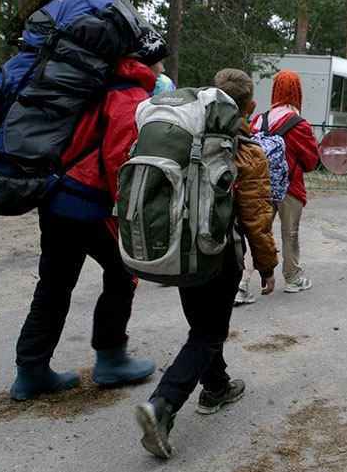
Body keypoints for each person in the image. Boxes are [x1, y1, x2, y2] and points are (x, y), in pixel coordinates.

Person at [8, 32, 168, 401]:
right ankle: (111, 358)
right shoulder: (129, 96)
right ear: (147, 61)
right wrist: (130, 214)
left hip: (57, 197)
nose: (164, 66)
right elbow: (119, 162)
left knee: (54, 283)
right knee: (125, 271)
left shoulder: (99, 85)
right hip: (89, 203)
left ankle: (30, 371)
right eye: (161, 58)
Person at [135, 68, 279, 460]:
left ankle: (216, 386)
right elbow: (256, 217)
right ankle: (162, 405)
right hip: (219, 255)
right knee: (208, 334)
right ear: (249, 107)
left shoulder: (187, 138)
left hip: (181, 250)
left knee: (203, 325)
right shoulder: (246, 150)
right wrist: (267, 266)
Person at [250, 70, 320, 293]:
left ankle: (242, 284)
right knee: (290, 234)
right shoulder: (299, 124)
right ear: (298, 93)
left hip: (261, 186)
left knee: (256, 234)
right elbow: (310, 162)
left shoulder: (258, 120)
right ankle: (292, 278)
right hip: (290, 186)